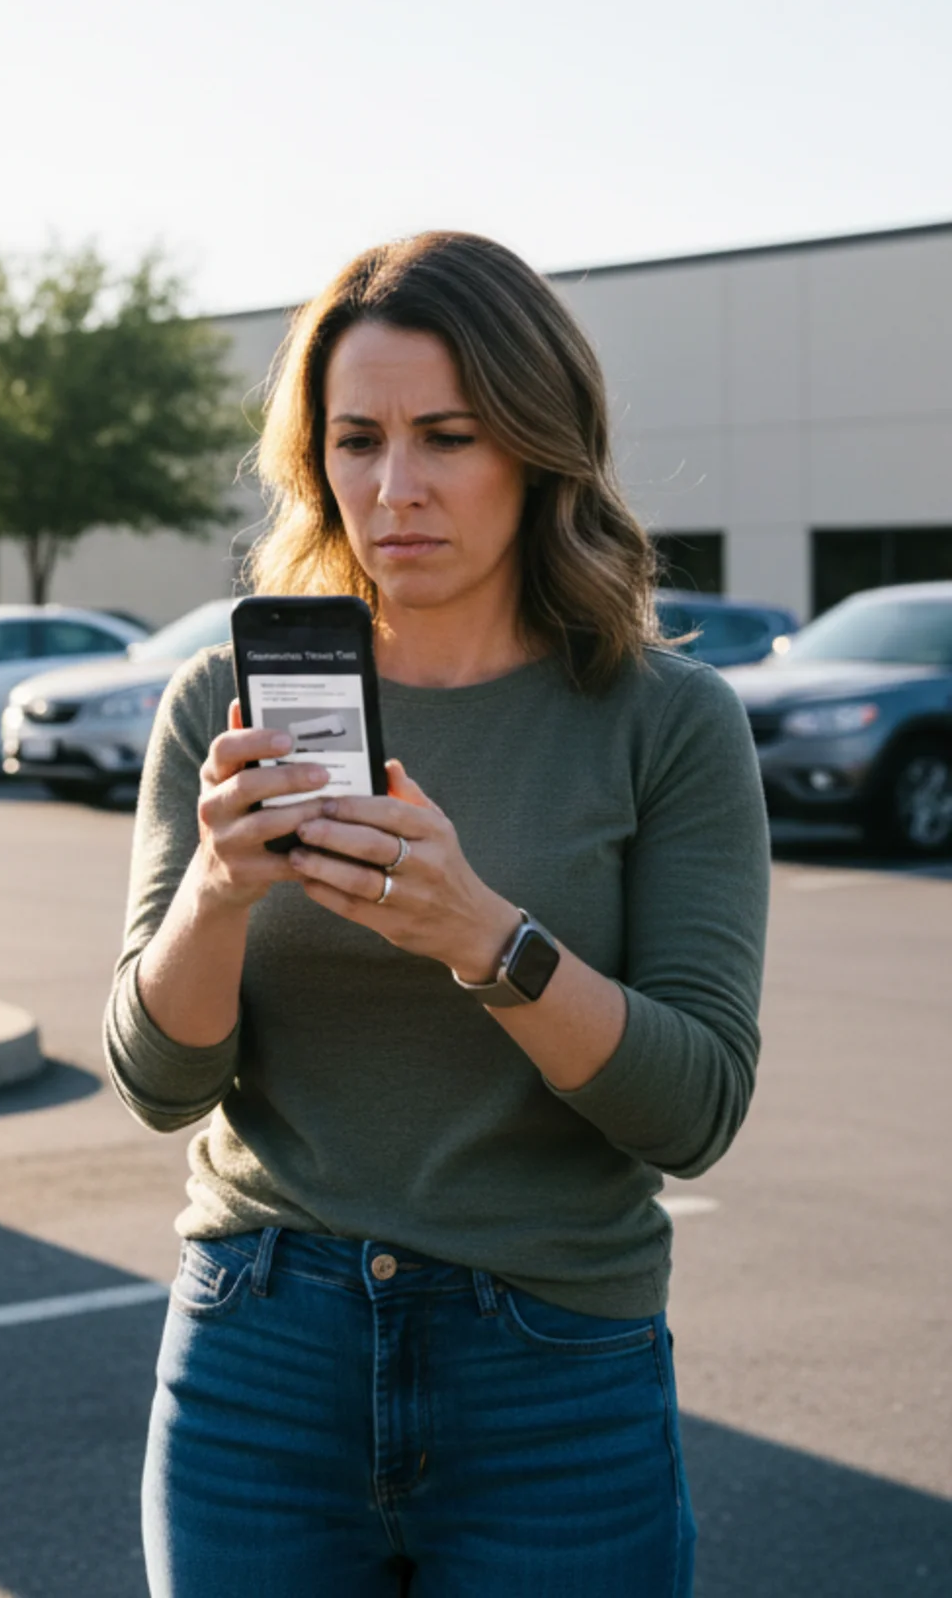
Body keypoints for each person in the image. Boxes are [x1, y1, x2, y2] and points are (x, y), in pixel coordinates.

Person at [104, 231, 768, 1596]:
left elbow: (693, 1112)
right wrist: (221, 896)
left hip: (554, 1365)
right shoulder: (217, 703)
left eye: (448, 437)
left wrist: (489, 939)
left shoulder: (667, 723)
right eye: (357, 441)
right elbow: (158, 1083)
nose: (395, 489)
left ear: (538, 445)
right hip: (259, 1351)